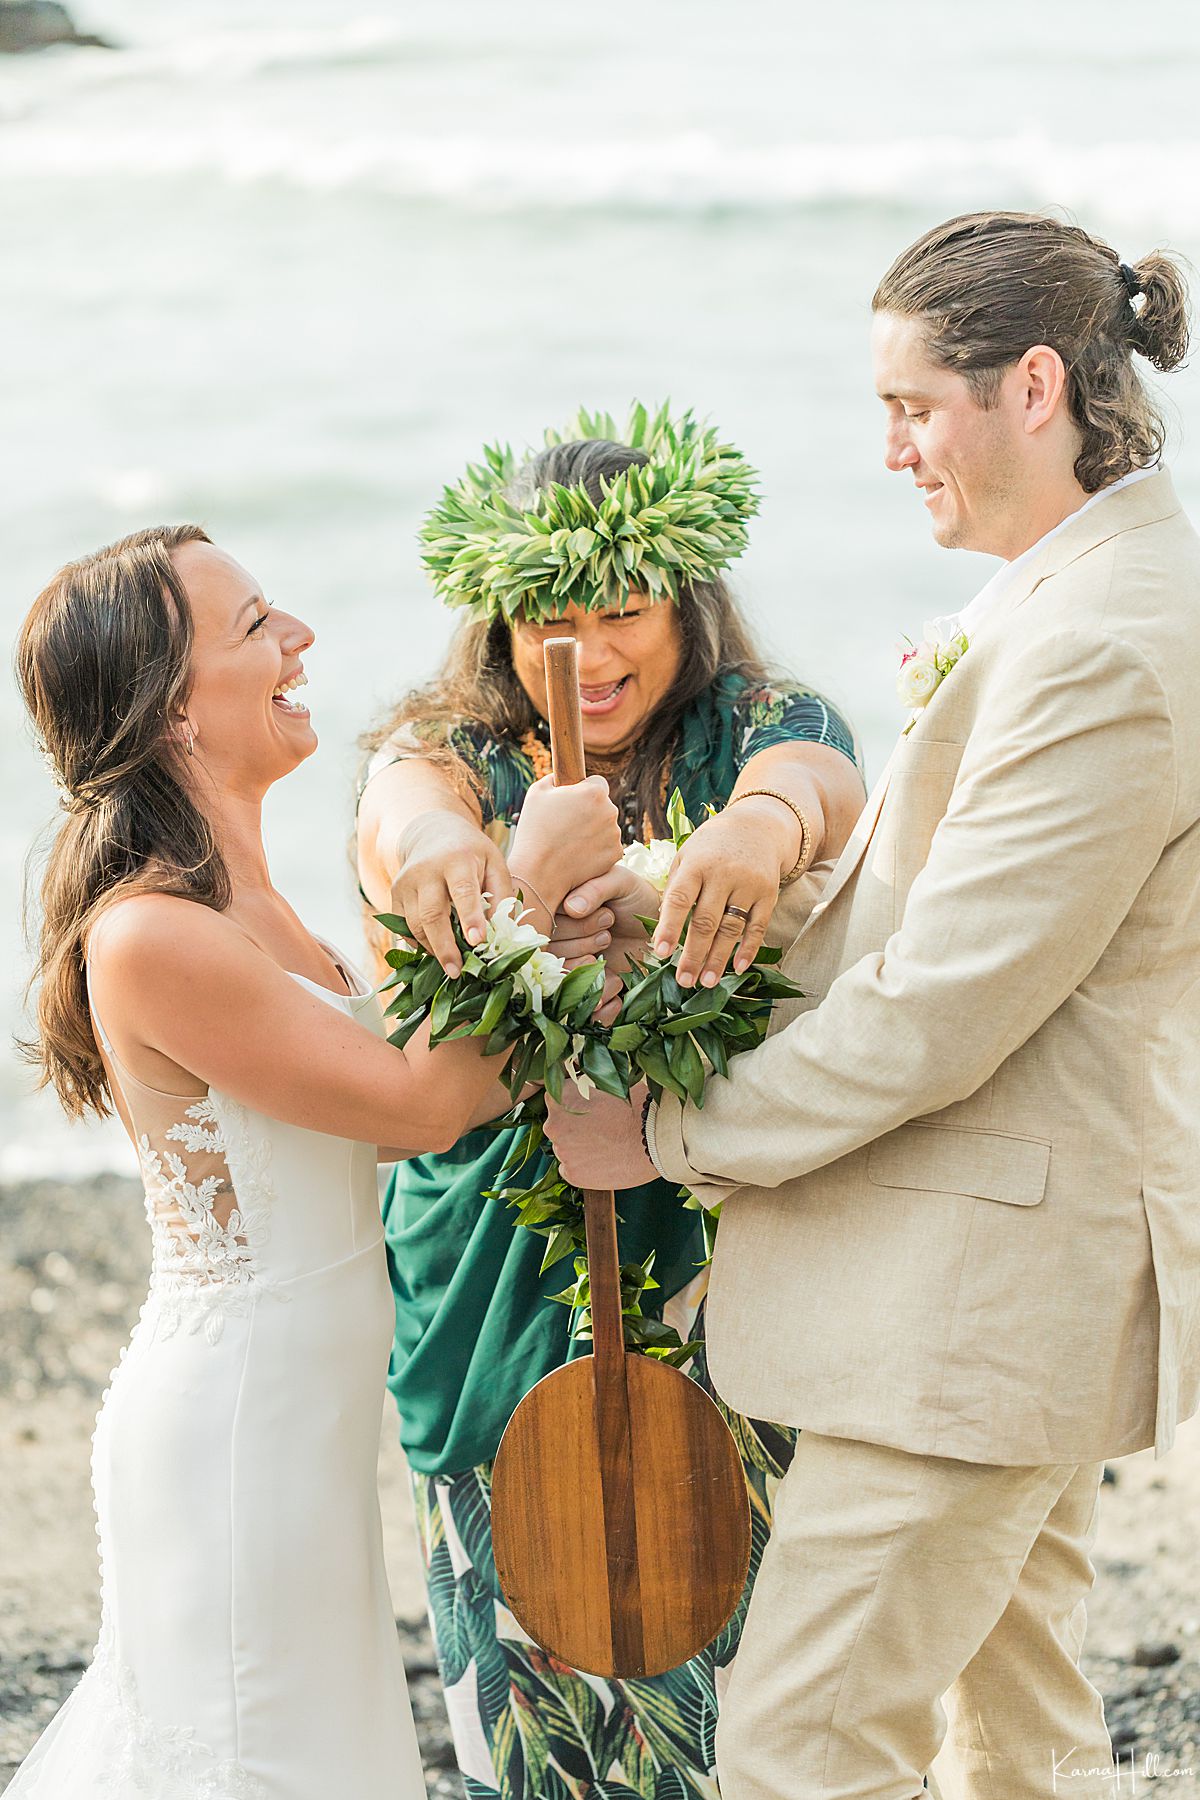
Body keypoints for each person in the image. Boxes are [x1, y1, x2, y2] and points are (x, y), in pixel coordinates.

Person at [546, 215, 1200, 1800]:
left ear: (1032, 386)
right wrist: (682, 888)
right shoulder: (1075, 589)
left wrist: (671, 1130)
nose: (893, 447)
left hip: (973, 1302)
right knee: (1022, 1741)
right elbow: (921, 901)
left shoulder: (1108, 637)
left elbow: (944, 1004)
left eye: (914, 405)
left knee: (802, 1752)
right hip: (999, 1284)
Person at [9, 525, 617, 1800]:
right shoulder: (146, 939)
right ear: (173, 707)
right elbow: (420, 1104)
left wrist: (562, 928)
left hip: (308, 1428)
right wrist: (530, 877)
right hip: (237, 1433)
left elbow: (467, 1067)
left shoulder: (265, 909)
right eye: (256, 626)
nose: (301, 640)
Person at [355, 406, 866, 1797]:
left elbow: (814, 776)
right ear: (498, 622)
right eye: (543, 622)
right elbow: (402, 810)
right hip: (498, 1265)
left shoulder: (754, 726)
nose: (582, 657)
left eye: (626, 611)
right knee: (541, 1673)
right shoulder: (453, 747)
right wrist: (459, 853)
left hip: (704, 1246)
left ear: (687, 604)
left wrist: (762, 828)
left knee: (740, 1671)